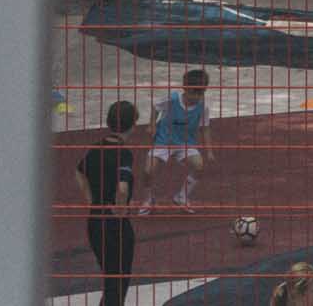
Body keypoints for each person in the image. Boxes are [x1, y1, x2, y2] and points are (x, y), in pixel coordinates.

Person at [76, 100, 139, 306]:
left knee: (111, 279)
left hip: (95, 221)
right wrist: (121, 208)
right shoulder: (124, 154)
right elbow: (122, 188)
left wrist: (91, 200)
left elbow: (79, 172)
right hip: (115, 226)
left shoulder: (95, 149)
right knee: (118, 282)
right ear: (132, 125)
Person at [140, 67, 212, 214]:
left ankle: (182, 196)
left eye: (201, 93)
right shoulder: (172, 99)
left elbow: (205, 129)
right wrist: (152, 125)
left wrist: (209, 151)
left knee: (199, 166)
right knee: (148, 171)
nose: (197, 96)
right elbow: (155, 107)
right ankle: (149, 199)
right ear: (185, 88)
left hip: (185, 143)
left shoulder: (203, 107)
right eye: (194, 92)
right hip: (163, 141)